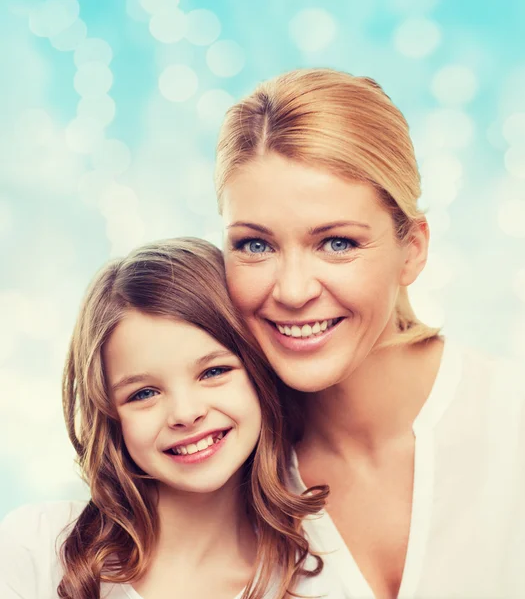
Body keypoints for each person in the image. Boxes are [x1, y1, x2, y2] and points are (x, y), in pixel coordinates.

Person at [215, 68, 525, 598]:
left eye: (336, 243)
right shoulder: (215, 471)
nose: (291, 290)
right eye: (255, 245)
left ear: (414, 248)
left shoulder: (510, 416)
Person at [0, 238, 341, 599]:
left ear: (259, 373)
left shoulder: (315, 580)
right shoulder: (38, 548)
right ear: (110, 416)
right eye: (144, 394)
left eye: (213, 372)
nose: (185, 413)